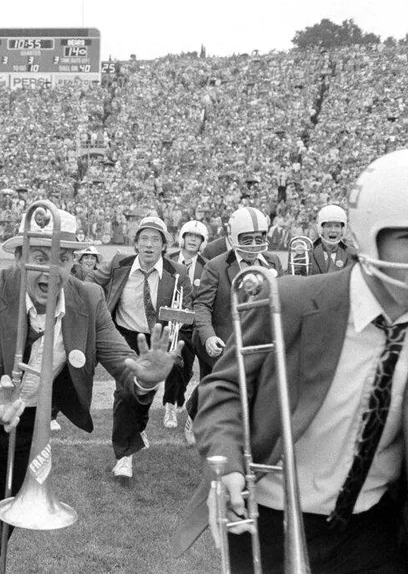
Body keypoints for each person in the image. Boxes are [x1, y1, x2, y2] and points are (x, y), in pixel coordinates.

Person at [0, 205, 182, 574]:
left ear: (74, 261)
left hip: (28, 431)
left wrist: (146, 378)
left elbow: (123, 364)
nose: (51, 270)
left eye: (63, 258)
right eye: (39, 257)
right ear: (19, 257)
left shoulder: (89, 299)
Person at [174, 149, 408, 573]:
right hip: (272, 516)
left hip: (376, 527)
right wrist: (225, 463)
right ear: (369, 235)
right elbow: (223, 389)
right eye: (407, 239)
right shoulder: (293, 301)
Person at [87, 216, 192, 478]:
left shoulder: (177, 273)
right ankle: (124, 455)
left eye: (155, 240)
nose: (148, 245)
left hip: (156, 340)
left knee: (144, 392)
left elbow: (186, 310)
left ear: (164, 245)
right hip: (122, 335)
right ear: (135, 243)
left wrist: (175, 342)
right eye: (143, 238)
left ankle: (138, 429)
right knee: (125, 393)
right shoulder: (118, 263)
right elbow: (89, 283)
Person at [187, 207, 283, 436]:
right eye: (247, 239)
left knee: (257, 386)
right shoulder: (216, 265)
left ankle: (245, 430)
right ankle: (193, 412)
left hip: (259, 336)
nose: (253, 245)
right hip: (224, 337)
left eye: (259, 239)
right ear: (234, 237)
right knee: (217, 384)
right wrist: (208, 336)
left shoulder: (273, 262)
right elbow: (202, 305)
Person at [163, 220, 208, 434]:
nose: (192, 239)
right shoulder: (168, 261)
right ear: (182, 237)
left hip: (194, 324)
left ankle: (179, 397)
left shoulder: (207, 266)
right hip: (171, 322)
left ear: (202, 242)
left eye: (197, 237)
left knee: (187, 369)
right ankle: (169, 405)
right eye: (189, 235)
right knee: (174, 363)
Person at [307, 204, 357, 275]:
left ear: (342, 230)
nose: (333, 230)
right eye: (329, 226)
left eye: (337, 226)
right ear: (321, 229)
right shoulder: (307, 253)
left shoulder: (353, 255)